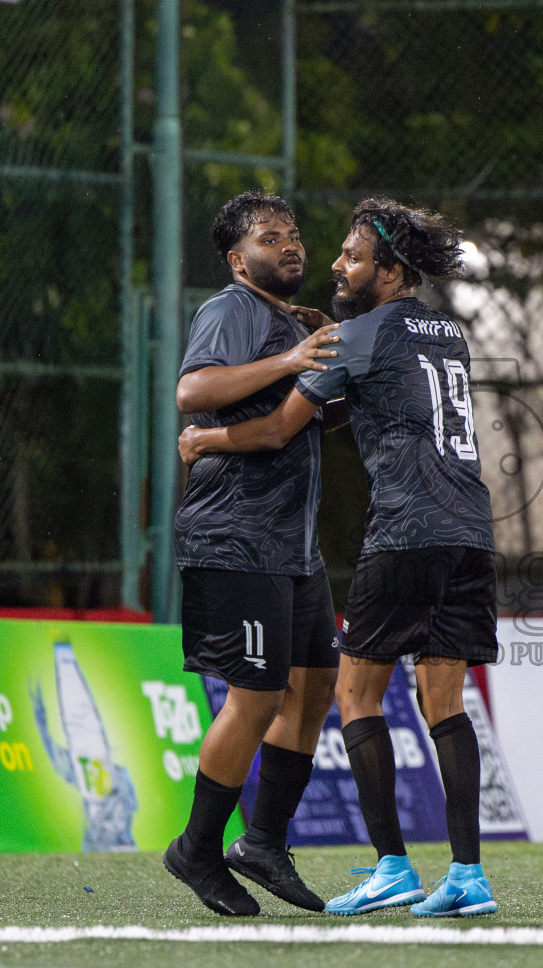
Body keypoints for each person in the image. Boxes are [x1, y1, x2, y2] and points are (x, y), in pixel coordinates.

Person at [179, 197, 500, 918]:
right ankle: (467, 876)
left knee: (350, 695)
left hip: (405, 533)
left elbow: (279, 429)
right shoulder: (445, 330)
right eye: (278, 237)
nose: (330, 261)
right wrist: (328, 343)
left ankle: (388, 866)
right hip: (470, 532)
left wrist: (207, 441)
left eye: (350, 257)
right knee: (440, 702)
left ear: (389, 268)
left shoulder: (354, 334)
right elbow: (384, 375)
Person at [161, 190, 345, 918]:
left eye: (294, 233)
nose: (290, 244)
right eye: (271, 237)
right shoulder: (229, 310)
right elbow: (192, 390)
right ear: (240, 260)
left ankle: (263, 842)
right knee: (257, 696)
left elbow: (298, 424)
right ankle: (198, 849)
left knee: (315, 685)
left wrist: (323, 349)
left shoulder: (285, 323)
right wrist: (294, 358)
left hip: (293, 545)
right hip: (235, 536)